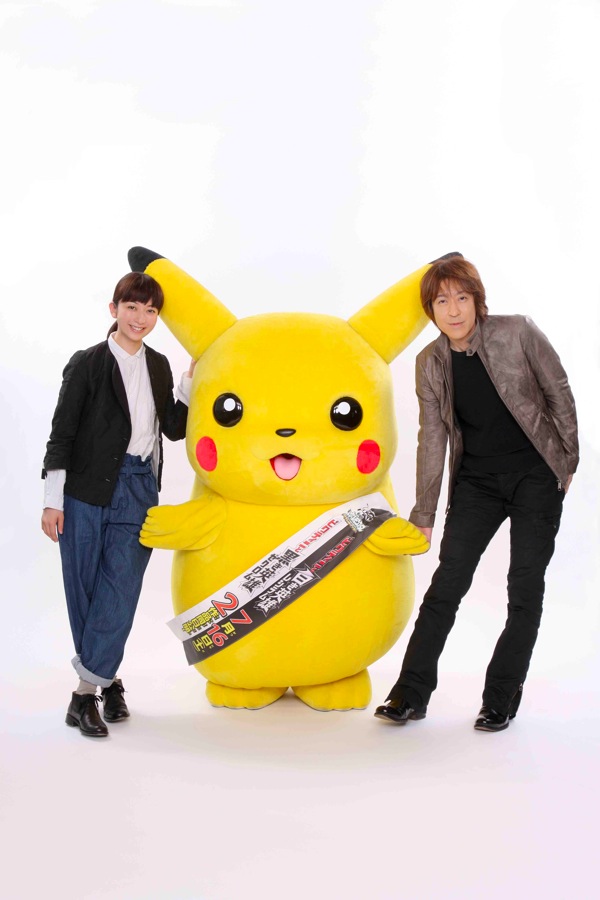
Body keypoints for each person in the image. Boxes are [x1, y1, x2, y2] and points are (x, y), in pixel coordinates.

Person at [374, 256, 578, 732]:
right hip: (477, 484)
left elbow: (559, 393)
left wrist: (565, 464)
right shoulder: (430, 363)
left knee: (524, 589)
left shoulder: (518, 332)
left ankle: (499, 699)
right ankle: (409, 694)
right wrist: (424, 512)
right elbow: (432, 438)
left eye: (462, 298)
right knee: (446, 586)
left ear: (477, 299)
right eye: (441, 301)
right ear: (430, 309)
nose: (453, 310)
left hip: (534, 477)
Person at [41, 272, 194, 738]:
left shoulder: (159, 364)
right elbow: (62, 432)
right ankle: (110, 683)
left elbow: (174, 429)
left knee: (120, 591)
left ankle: (83, 694)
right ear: (114, 309)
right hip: (84, 489)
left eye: (150, 311)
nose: (140, 318)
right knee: (86, 590)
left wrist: (190, 384)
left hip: (137, 488)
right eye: (132, 307)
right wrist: (52, 500)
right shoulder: (87, 363)